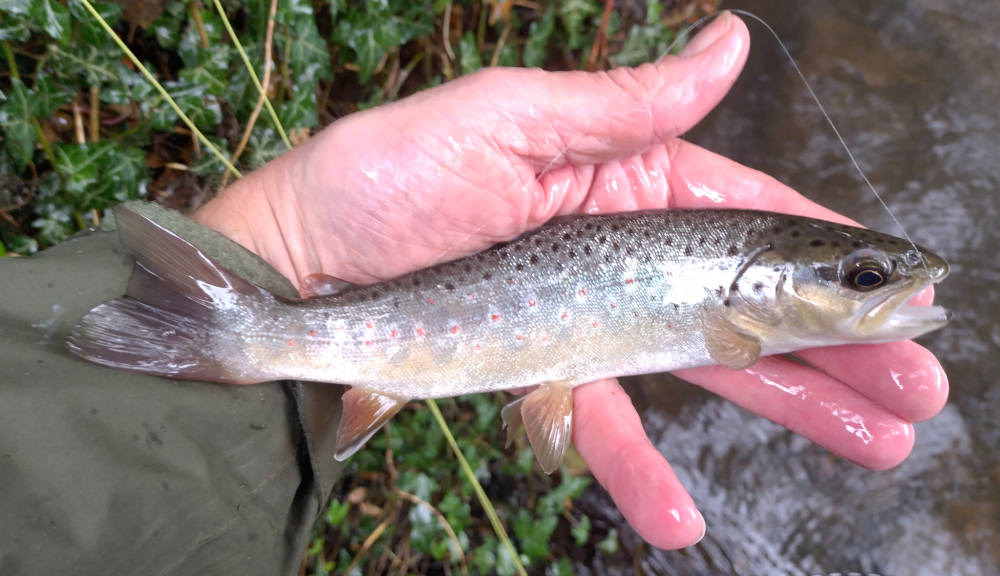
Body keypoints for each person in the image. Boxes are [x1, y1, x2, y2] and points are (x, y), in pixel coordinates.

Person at [0, 12, 947, 573]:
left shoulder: (739, 307)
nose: (885, 289)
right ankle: (242, 334)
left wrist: (278, 237)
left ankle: (240, 330)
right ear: (759, 289)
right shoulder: (731, 312)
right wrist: (282, 242)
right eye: (865, 279)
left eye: (866, 279)